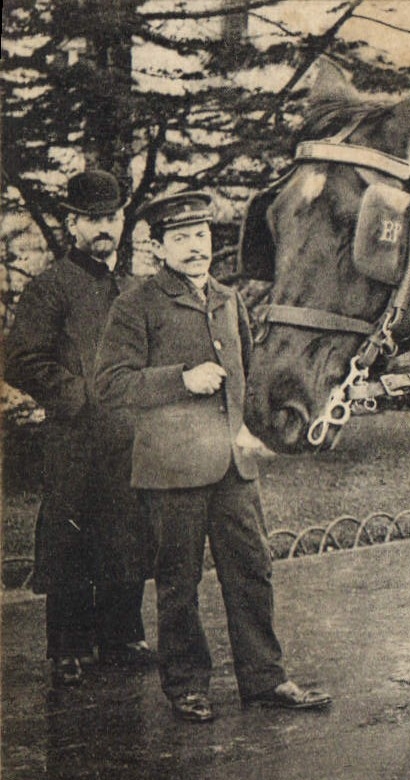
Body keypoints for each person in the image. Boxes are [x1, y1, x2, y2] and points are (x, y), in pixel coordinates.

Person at [95, 191, 331, 723]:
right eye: (180, 238)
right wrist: (181, 380)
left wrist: (262, 428)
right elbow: (109, 385)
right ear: (157, 248)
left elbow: (246, 374)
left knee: (253, 571)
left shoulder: (227, 299)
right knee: (179, 583)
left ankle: (266, 679)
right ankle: (186, 687)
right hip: (172, 471)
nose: (195, 247)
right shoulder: (135, 305)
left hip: (232, 467)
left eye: (201, 236)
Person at [4, 169, 155, 688]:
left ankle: (122, 636)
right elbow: (21, 358)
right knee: (70, 535)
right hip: (74, 437)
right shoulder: (51, 289)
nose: (104, 228)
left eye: (111, 217)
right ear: (72, 224)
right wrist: (77, 394)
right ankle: (67, 647)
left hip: (127, 436)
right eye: (92, 219)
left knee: (126, 532)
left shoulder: (135, 290)